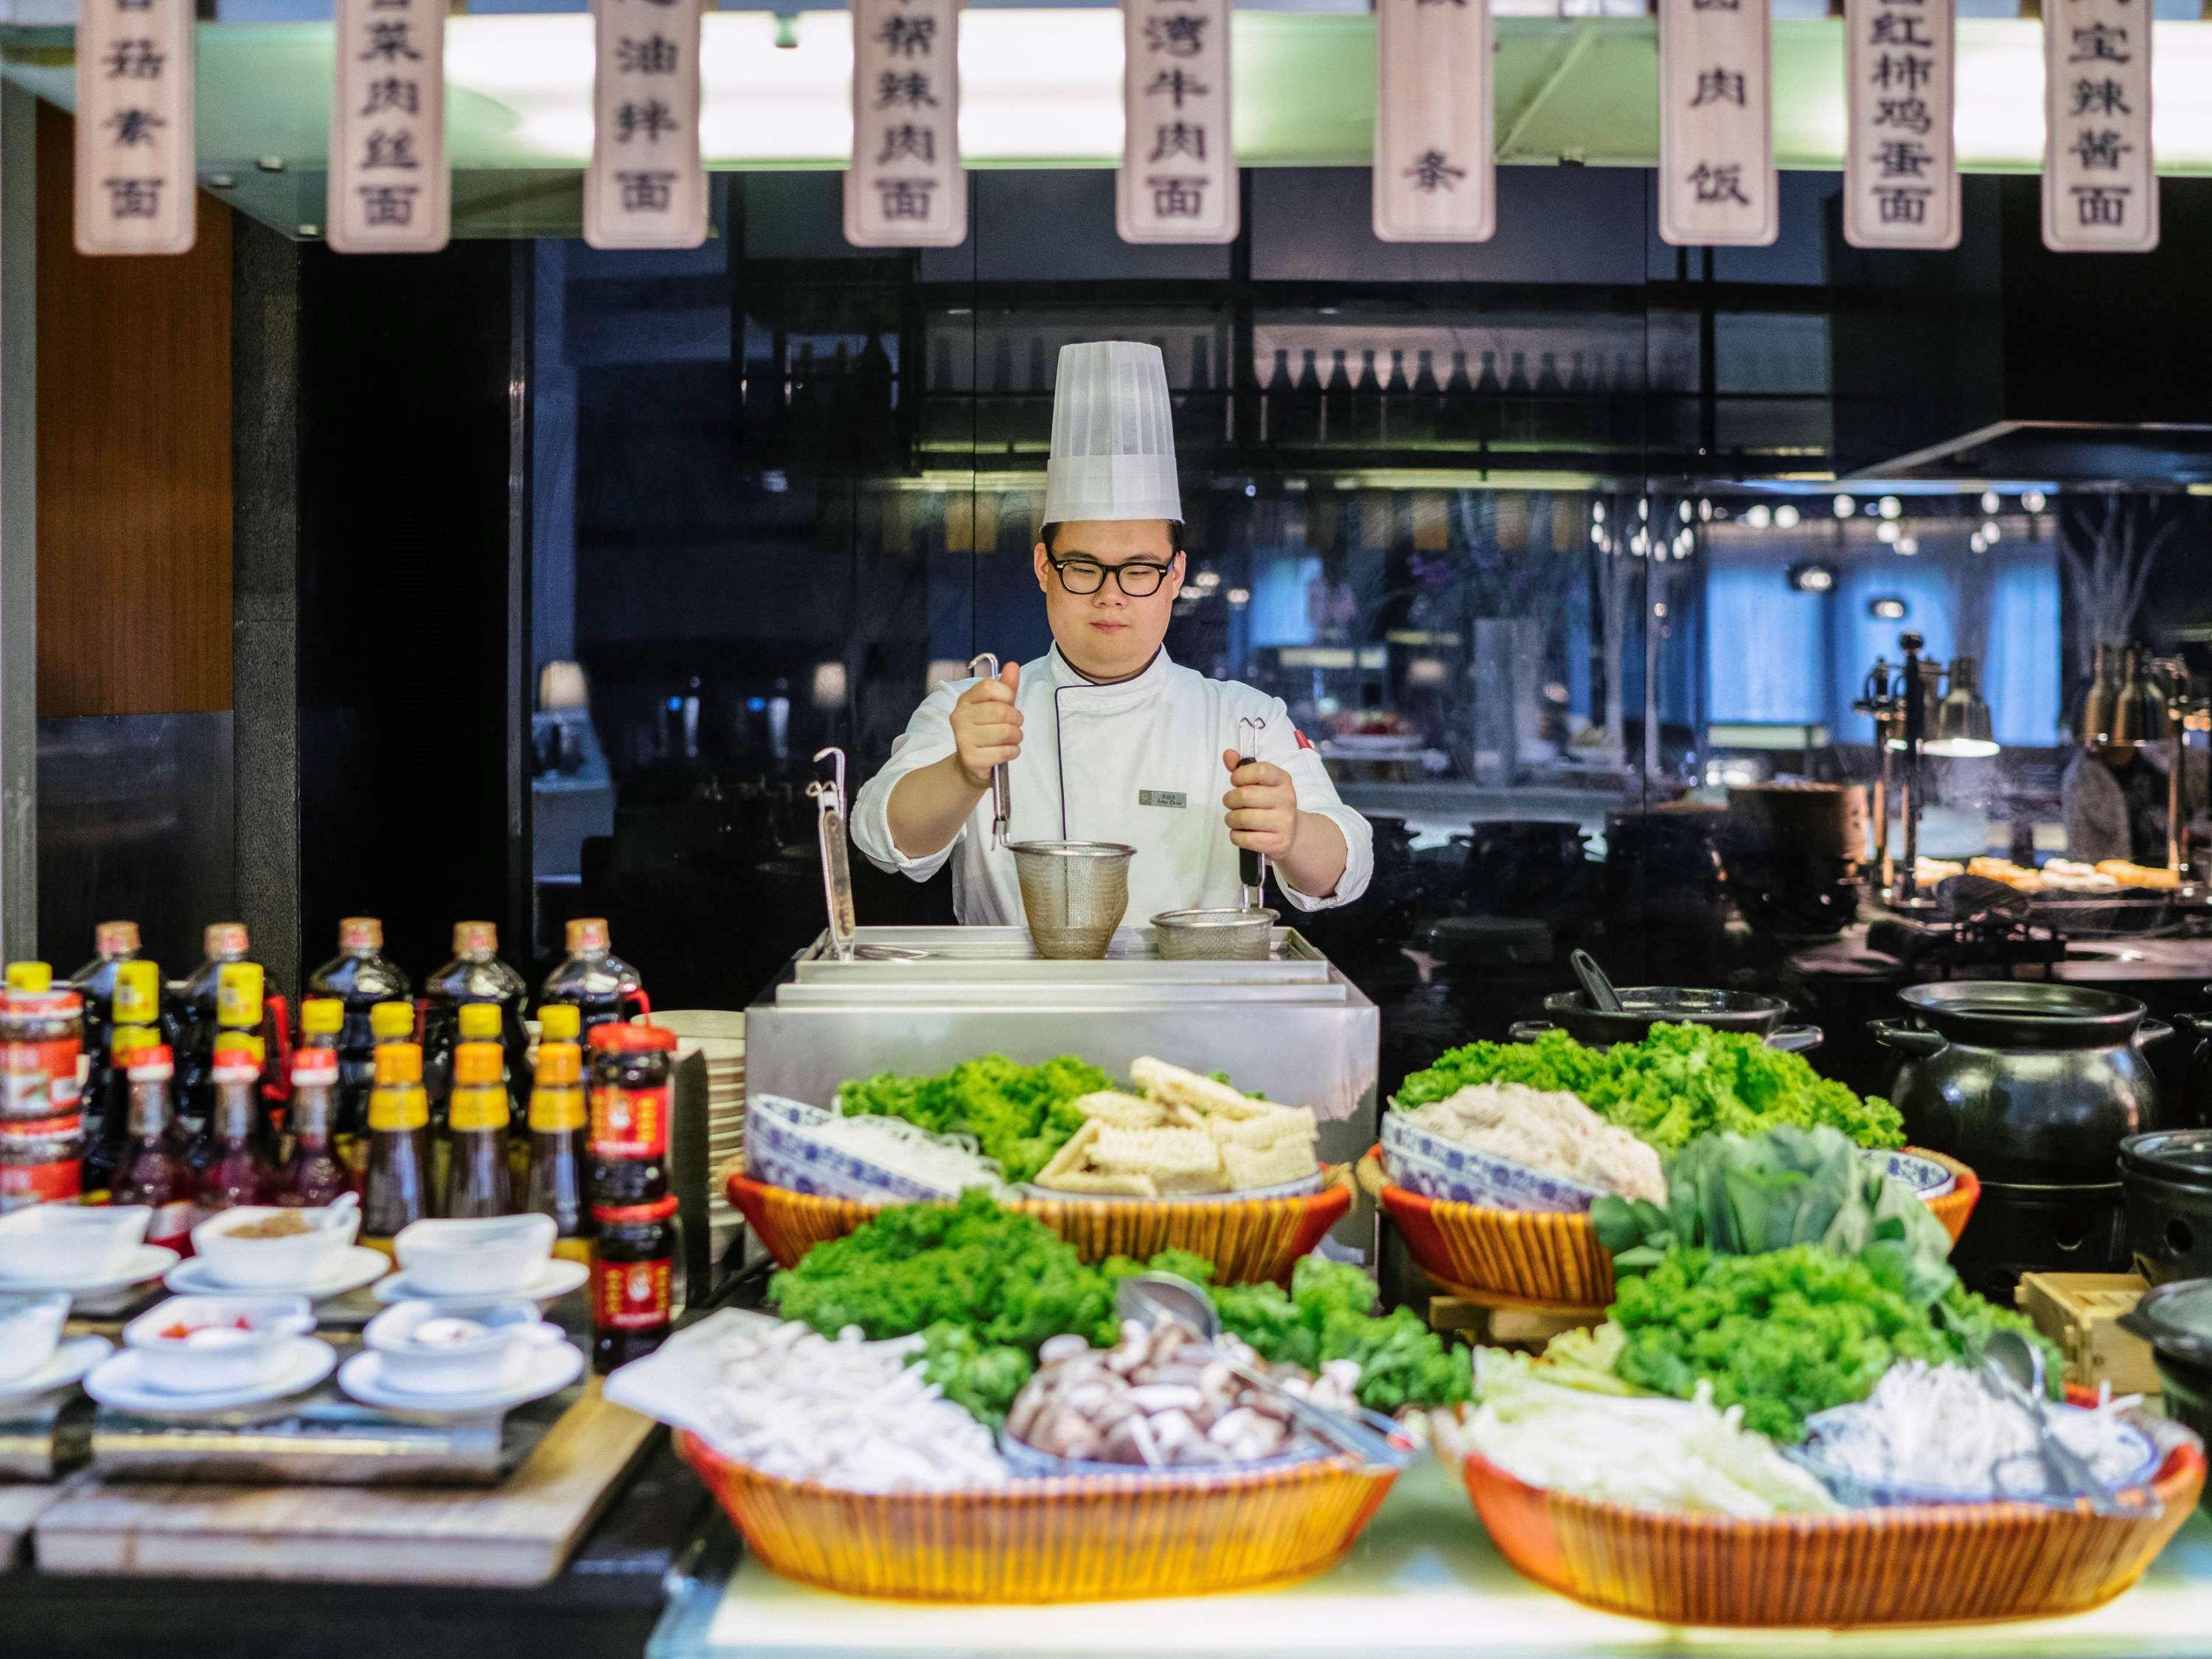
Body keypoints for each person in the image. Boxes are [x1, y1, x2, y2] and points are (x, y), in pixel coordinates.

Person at [852, 341, 1373, 926]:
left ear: (1174, 576)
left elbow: (1344, 871)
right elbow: (882, 839)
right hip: (1016, 1010)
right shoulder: (974, 709)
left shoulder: (1244, 720)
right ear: (1045, 568)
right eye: (1083, 567)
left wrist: (1293, 833)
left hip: (1188, 1007)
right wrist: (963, 773)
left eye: (1139, 570)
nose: (1111, 594)